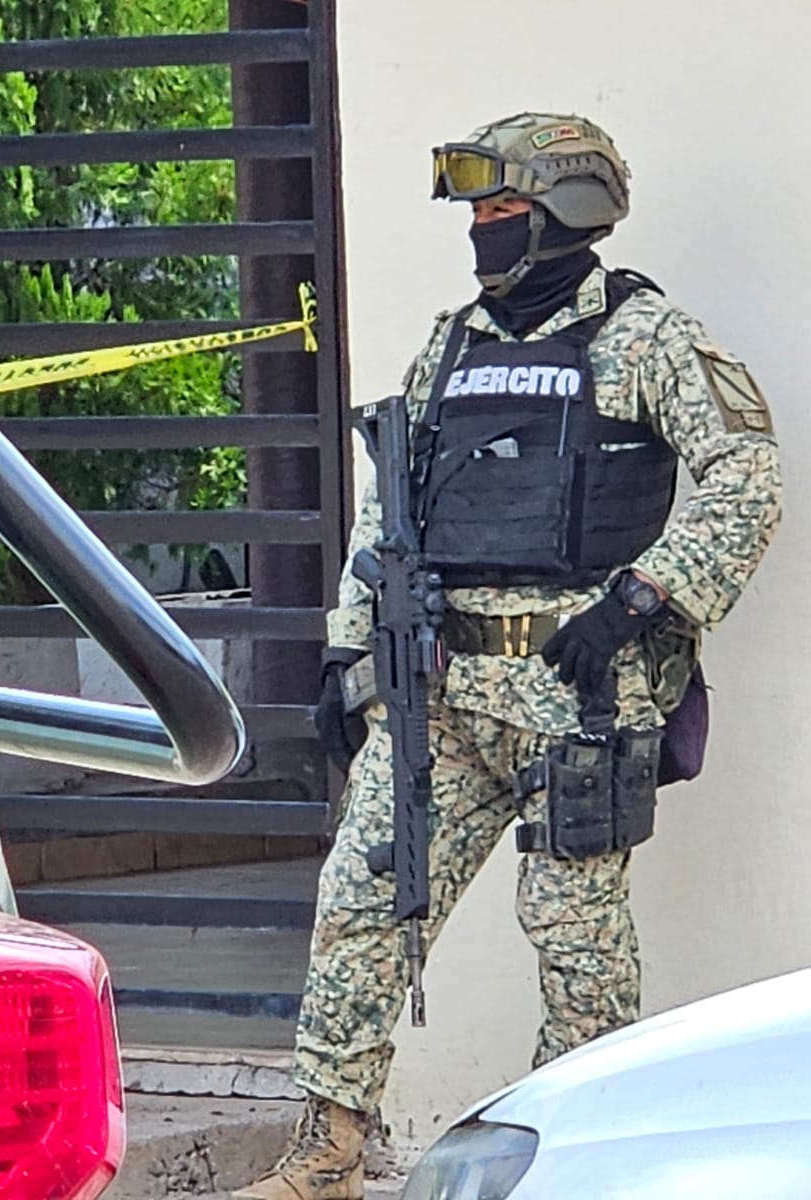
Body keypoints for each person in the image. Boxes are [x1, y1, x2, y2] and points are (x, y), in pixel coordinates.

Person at [236, 112, 782, 1200]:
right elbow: (388, 514)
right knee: (360, 900)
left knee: (575, 941)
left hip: (579, 695)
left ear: (565, 210)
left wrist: (642, 597)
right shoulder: (452, 345)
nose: (481, 229)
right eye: (477, 210)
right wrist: (349, 656)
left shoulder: (647, 338)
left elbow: (747, 477)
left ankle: (578, 1164)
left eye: (501, 207)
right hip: (441, 693)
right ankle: (328, 1154)